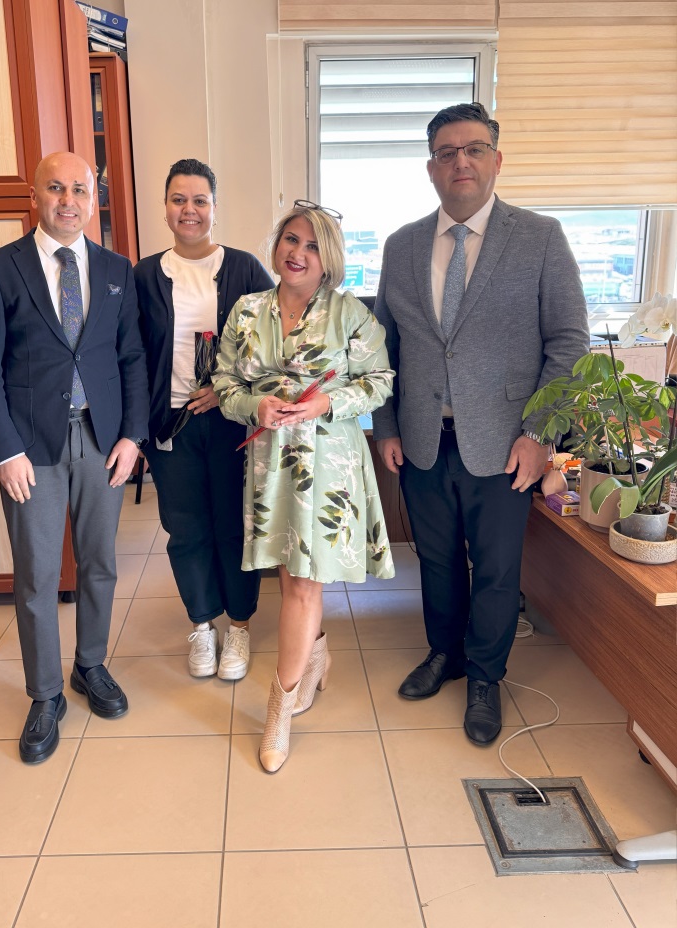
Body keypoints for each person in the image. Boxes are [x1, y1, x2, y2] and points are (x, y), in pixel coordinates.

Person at [372, 103, 589, 745]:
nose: (459, 161)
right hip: (421, 438)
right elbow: (382, 348)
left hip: (505, 443)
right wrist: (386, 425)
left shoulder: (540, 237)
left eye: (473, 149)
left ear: (497, 159)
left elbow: (569, 344)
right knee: (436, 559)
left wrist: (540, 435)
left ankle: (486, 677)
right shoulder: (402, 245)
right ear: (431, 168)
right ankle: (446, 653)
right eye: (446, 152)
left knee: (495, 568)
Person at [0, 151, 149, 764]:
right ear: (35, 196)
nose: (68, 200)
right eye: (55, 188)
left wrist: (132, 437)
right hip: (30, 449)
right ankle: (45, 694)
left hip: (102, 441)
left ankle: (90, 665)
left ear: (93, 199)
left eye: (80, 189)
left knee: (100, 564)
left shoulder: (117, 270)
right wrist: (4, 451)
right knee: (38, 575)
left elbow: (131, 359)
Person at [214, 201, 395, 772]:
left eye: (313, 245)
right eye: (291, 239)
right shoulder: (247, 311)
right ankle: (315, 658)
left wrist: (327, 402)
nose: (298, 253)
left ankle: (279, 708)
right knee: (289, 574)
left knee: (302, 585)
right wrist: (254, 405)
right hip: (269, 461)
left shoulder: (351, 314)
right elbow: (224, 383)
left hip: (328, 463)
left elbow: (380, 380)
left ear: (329, 258)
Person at [134, 158, 273, 680]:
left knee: (235, 526)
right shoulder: (144, 275)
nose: (188, 210)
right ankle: (201, 625)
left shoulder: (244, 268)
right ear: (165, 208)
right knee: (185, 528)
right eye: (179, 200)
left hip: (233, 422)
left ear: (215, 208)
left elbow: (271, 343)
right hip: (170, 423)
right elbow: (131, 353)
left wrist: (226, 388)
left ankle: (238, 626)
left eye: (199, 200)